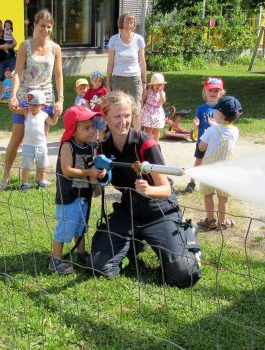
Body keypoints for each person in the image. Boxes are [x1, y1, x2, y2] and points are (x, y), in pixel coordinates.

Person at [90, 91, 202, 288]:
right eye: (117, 116)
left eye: (127, 115)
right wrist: (97, 177)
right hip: (129, 211)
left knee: (184, 275)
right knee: (100, 267)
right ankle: (133, 247)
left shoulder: (146, 143)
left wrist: (149, 190)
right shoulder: (102, 148)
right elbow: (99, 188)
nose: (123, 121)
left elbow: (166, 190)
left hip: (159, 211)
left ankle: (186, 236)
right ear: (105, 116)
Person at [0, 9, 65, 190]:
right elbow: (18, 73)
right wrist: (12, 96)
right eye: (42, 25)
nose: (46, 29)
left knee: (41, 139)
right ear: (35, 25)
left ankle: (39, 178)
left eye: (49, 26)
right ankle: (5, 176)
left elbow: (58, 75)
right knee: (17, 137)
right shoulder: (25, 46)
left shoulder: (55, 48)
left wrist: (60, 99)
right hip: (24, 98)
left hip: (45, 99)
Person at [51, 105, 106, 274]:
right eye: (86, 128)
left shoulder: (89, 147)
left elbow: (92, 166)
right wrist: (89, 172)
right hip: (69, 197)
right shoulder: (67, 146)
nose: (91, 131)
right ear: (73, 130)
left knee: (81, 227)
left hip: (83, 195)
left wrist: (99, 172)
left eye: (92, 126)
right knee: (65, 227)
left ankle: (81, 254)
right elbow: (67, 170)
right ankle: (56, 260)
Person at [196, 96, 242, 231]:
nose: (214, 113)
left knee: (208, 195)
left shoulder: (210, 131)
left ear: (220, 115)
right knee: (223, 197)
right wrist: (216, 127)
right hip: (226, 171)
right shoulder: (235, 131)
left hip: (209, 170)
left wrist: (206, 135)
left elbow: (201, 148)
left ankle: (210, 221)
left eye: (215, 111)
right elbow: (224, 131)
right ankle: (222, 222)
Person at [106, 12, 147, 129]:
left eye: (131, 22)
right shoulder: (114, 40)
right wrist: (108, 84)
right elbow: (110, 63)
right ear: (121, 23)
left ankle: (137, 139)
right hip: (117, 78)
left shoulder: (139, 40)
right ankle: (116, 136)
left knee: (136, 110)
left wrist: (144, 83)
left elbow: (142, 62)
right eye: (126, 21)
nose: (129, 24)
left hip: (134, 79)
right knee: (116, 108)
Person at [12, 90, 59, 191]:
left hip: (41, 145)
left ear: (42, 105)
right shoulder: (26, 112)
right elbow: (15, 110)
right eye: (30, 105)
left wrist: (56, 114)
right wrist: (13, 103)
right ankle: (25, 183)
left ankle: (41, 181)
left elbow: (53, 123)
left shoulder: (44, 115)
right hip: (28, 145)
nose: (32, 107)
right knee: (26, 166)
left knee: (41, 165)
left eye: (35, 105)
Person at [186, 77, 226, 193]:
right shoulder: (201, 108)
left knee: (216, 163)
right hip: (202, 141)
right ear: (205, 92)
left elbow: (225, 125)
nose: (213, 93)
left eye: (216, 91)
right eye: (210, 90)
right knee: (199, 161)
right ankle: (192, 182)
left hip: (216, 142)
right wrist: (196, 125)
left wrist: (216, 125)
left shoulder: (222, 108)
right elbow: (196, 126)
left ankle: (214, 184)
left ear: (221, 92)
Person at [140, 73, 167, 141]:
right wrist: (144, 93)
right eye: (157, 84)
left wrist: (160, 92)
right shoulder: (149, 91)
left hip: (157, 112)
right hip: (149, 112)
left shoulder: (162, 93)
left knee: (157, 129)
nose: (159, 86)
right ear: (152, 85)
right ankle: (147, 142)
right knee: (148, 129)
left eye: (161, 84)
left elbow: (163, 101)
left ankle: (156, 143)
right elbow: (142, 98)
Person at [84, 70, 109, 141]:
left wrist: (105, 110)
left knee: (102, 130)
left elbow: (108, 101)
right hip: (92, 115)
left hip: (102, 115)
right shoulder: (89, 91)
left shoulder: (104, 90)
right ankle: (93, 145)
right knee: (93, 130)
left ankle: (101, 144)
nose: (97, 83)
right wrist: (89, 111)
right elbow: (86, 101)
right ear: (91, 81)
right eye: (95, 81)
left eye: (99, 81)